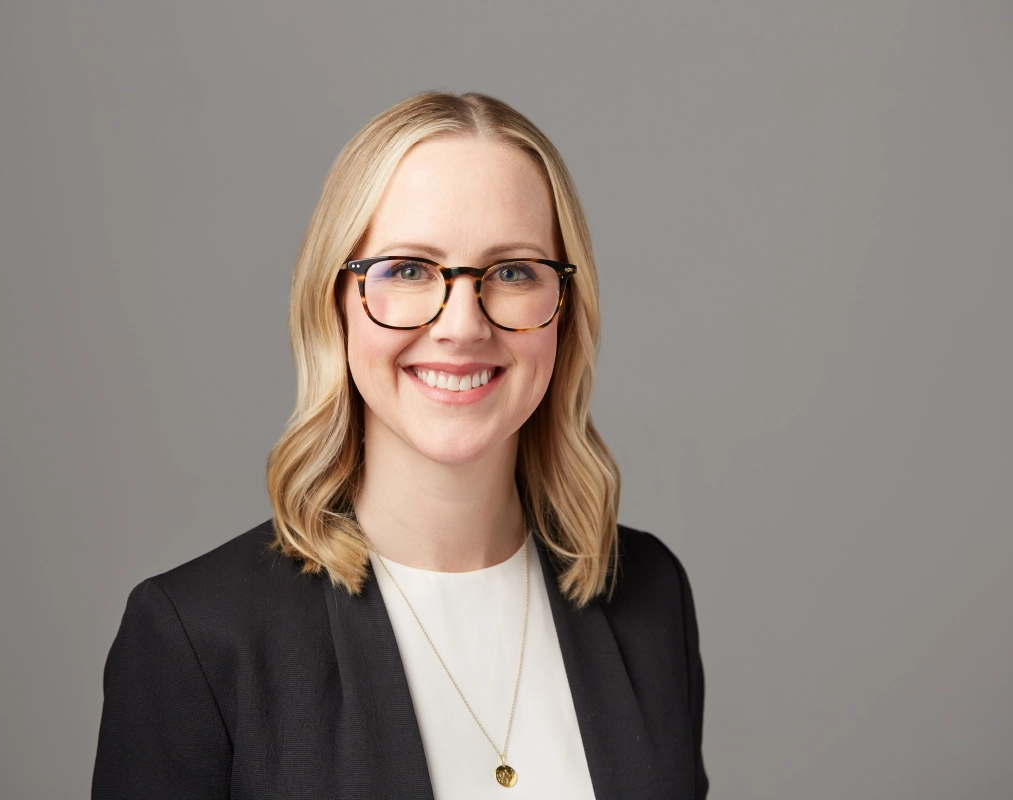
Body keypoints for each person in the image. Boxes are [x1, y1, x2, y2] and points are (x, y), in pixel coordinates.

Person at [92, 91, 708, 800]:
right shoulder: (196, 638)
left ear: (565, 311)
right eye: (410, 270)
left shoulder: (651, 597)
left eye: (512, 272)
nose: (463, 324)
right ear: (335, 303)